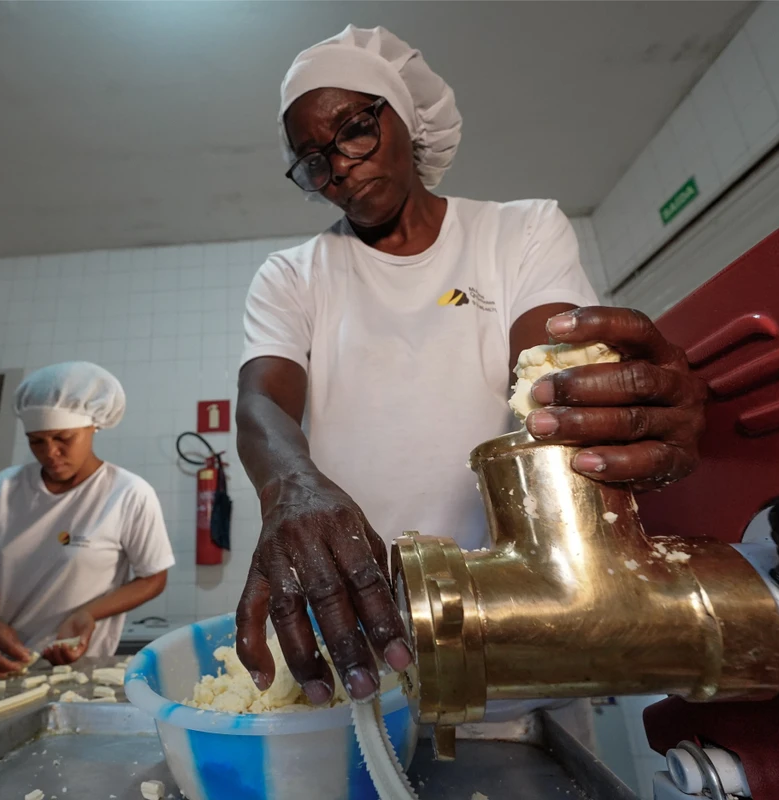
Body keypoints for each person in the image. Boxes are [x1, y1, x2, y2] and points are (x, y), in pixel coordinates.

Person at [234, 26, 707, 708]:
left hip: (512, 618)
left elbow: (552, 380)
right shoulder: (293, 276)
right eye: (312, 159)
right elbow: (261, 405)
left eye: (354, 130)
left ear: (405, 116)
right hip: (361, 636)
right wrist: (294, 489)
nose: (338, 166)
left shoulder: (518, 233)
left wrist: (633, 421)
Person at [0, 362, 175, 678]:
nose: (50, 453)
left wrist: (88, 613)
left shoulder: (128, 493)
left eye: (63, 438)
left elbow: (154, 576)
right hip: (2, 664)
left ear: (92, 427)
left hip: (79, 668)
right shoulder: (4, 489)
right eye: (36, 441)